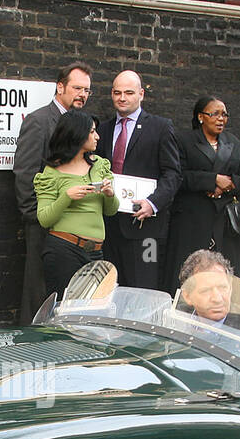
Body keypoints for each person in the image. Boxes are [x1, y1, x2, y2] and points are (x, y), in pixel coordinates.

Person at [13, 61, 92, 321]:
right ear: (60, 87)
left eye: (87, 90)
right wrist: (36, 216)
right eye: (77, 88)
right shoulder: (39, 121)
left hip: (72, 225)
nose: (82, 94)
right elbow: (25, 173)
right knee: (39, 290)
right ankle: (32, 345)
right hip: (43, 223)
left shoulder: (82, 125)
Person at [96, 70, 181, 291]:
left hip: (146, 229)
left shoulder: (160, 127)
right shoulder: (103, 130)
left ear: (141, 94)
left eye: (129, 92)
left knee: (144, 288)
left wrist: (153, 203)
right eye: (117, 92)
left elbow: (173, 174)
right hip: (109, 225)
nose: (122, 97)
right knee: (111, 289)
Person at [165, 96, 240, 290]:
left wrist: (227, 184)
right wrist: (211, 181)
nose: (220, 118)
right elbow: (176, 176)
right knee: (188, 273)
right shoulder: (183, 141)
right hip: (192, 219)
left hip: (222, 220)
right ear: (201, 117)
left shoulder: (234, 143)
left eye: (224, 114)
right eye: (215, 114)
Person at [33, 109, 116, 295]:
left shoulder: (100, 165)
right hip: (64, 250)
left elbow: (111, 211)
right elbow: (44, 219)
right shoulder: (52, 172)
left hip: (96, 252)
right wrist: (67, 197)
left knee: (94, 310)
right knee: (63, 310)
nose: (97, 137)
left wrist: (110, 194)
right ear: (77, 134)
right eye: (92, 131)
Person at [177, 249, 234, 322]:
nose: (217, 299)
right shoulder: (175, 319)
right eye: (206, 290)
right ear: (187, 296)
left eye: (222, 288)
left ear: (230, 289)